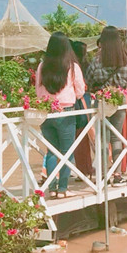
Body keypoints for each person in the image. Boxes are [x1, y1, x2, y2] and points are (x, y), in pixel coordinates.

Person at [35, 33, 86, 197]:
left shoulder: (42, 66)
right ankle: (63, 189)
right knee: (66, 152)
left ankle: (51, 188)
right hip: (66, 112)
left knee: (51, 151)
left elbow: (37, 89)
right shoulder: (72, 66)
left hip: (46, 112)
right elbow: (80, 91)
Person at [85, 26, 127, 184]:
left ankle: (104, 174)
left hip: (102, 100)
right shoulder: (124, 59)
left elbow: (89, 79)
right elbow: (125, 80)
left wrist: (100, 88)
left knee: (103, 138)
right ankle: (117, 175)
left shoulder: (97, 59)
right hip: (118, 100)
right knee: (116, 137)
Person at [70, 40, 94, 183]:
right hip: (84, 99)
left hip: (76, 100)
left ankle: (82, 170)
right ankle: (87, 168)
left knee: (78, 137)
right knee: (84, 135)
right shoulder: (86, 65)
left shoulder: (72, 66)